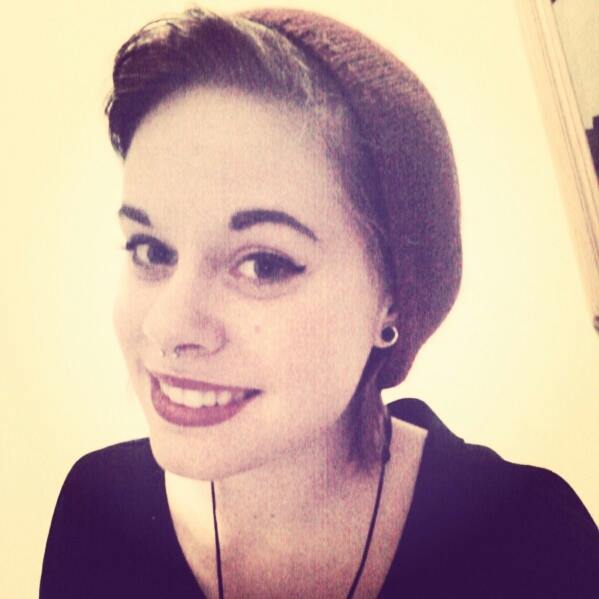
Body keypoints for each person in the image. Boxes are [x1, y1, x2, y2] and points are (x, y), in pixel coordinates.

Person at [39, 7, 598, 599]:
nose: (167, 326)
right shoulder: (96, 513)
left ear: (392, 298)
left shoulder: (530, 541)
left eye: (263, 264)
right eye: (151, 251)